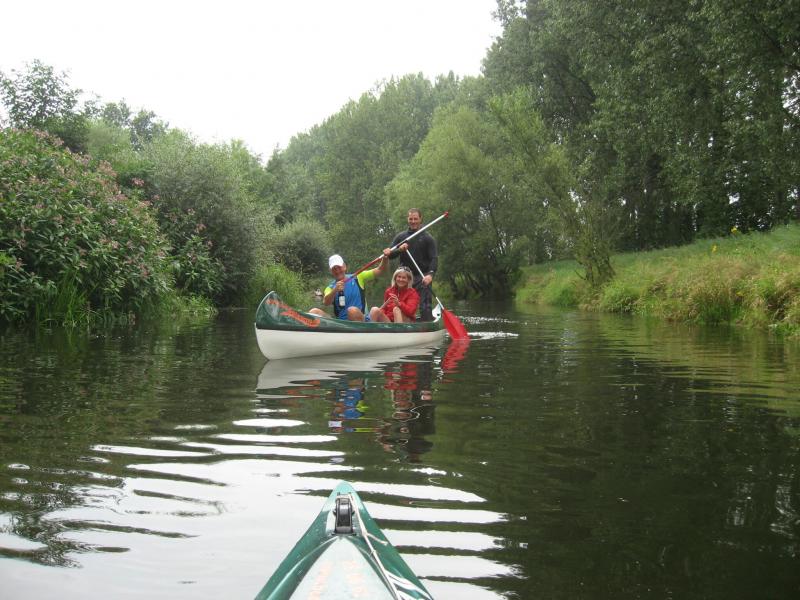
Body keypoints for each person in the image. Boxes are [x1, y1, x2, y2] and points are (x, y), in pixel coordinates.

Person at [383, 208, 438, 321]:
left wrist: (430, 275)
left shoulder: (428, 238)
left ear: (420, 219)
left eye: (415, 219)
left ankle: (426, 322)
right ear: (407, 219)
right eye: (411, 219)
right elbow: (391, 255)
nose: (413, 221)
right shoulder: (401, 237)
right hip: (404, 276)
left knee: (425, 306)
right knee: (396, 304)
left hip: (422, 276)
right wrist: (399, 250)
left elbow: (434, 258)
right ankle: (396, 323)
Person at [309, 253, 386, 321]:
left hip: (361, 320)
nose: (337, 271)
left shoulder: (358, 277)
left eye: (339, 267)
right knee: (313, 312)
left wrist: (385, 258)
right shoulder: (330, 287)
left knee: (352, 311)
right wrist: (335, 290)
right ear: (331, 271)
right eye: (334, 269)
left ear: (344, 266)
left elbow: (380, 270)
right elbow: (326, 302)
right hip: (341, 323)